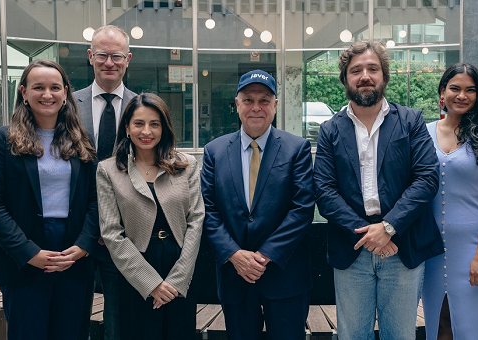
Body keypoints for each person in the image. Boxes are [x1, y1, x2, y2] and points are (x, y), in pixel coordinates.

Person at [313, 41, 443, 339]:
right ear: (345, 79)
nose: (365, 76)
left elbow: (426, 179)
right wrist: (370, 234)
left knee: (399, 334)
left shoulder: (410, 121)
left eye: (373, 68)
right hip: (352, 247)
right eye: (356, 70)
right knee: (353, 334)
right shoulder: (330, 130)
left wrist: (388, 227)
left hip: (403, 245)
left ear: (384, 75)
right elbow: (324, 190)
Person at [0, 59, 98, 340]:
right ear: (23, 92)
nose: (47, 94)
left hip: (73, 255)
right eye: (38, 87)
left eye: (55, 87)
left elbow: (95, 200)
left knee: (72, 333)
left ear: (66, 93)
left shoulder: (83, 140)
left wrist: (84, 245)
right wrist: (28, 252)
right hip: (22, 254)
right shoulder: (3, 140)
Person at [201, 69, 315, 339]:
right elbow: (208, 210)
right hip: (234, 275)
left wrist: (264, 256)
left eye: (264, 100)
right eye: (248, 99)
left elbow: (302, 209)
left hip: (284, 274)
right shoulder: (214, 152)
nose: (256, 107)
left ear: (275, 105)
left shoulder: (296, 148)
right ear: (237, 104)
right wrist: (234, 254)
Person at [96, 93, 203, 339]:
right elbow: (111, 232)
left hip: (180, 265)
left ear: (164, 128)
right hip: (136, 268)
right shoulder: (109, 170)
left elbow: (196, 219)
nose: (147, 131)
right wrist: (152, 284)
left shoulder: (186, 164)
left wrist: (177, 280)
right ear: (127, 127)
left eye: (154, 124)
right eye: (139, 123)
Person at [420, 63, 478, 339]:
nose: (462, 95)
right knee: (438, 324)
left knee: (472, 327)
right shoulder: (422, 132)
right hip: (431, 248)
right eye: (455, 88)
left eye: (470, 90)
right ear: (442, 92)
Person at [73, 24, 137, 340]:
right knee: (71, 315)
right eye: (102, 54)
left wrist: (113, 225)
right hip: (75, 234)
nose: (109, 62)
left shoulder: (143, 108)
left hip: (124, 235)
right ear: (90, 56)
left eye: (116, 56)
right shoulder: (66, 105)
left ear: (128, 59)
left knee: (119, 321)